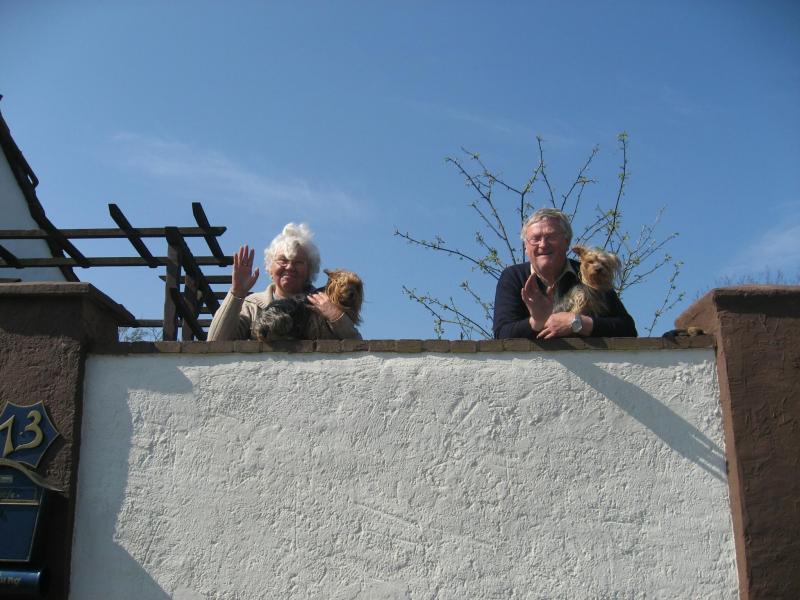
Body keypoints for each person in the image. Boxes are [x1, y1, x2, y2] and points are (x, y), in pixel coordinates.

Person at [493, 208, 637, 339]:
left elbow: (627, 329)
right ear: (525, 247)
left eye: (551, 237)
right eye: (535, 239)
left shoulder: (589, 273)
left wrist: (577, 323)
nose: (543, 244)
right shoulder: (513, 277)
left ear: (567, 242)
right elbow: (502, 334)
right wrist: (537, 321)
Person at [207, 223, 361, 341]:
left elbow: (357, 347)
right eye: (282, 261)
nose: (289, 267)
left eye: (298, 262)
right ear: (270, 268)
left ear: (310, 269)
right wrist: (237, 293)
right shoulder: (252, 305)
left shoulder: (326, 304)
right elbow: (215, 342)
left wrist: (336, 316)